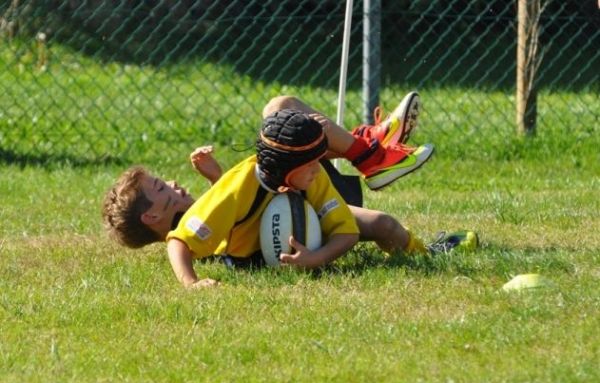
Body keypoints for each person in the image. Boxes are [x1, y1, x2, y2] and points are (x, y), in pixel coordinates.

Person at [102, 97, 477, 288]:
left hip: (296, 185)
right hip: (298, 205)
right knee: (383, 224)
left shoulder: (217, 198)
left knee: (283, 111)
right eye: (161, 188)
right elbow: (198, 235)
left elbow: (236, 210)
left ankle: (371, 151)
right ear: (152, 216)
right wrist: (191, 285)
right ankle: (372, 154)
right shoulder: (206, 215)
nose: (171, 183)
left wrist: (218, 177)